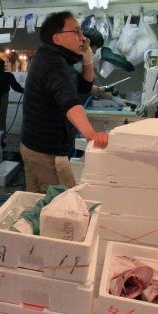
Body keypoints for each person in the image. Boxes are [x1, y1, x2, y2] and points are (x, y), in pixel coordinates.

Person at [20, 11, 109, 192]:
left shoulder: (56, 58)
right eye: (76, 32)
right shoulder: (54, 63)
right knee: (61, 203)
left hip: (35, 146)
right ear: (57, 38)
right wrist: (91, 134)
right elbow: (69, 101)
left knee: (38, 200)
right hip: (46, 153)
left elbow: (84, 87)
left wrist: (87, 58)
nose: (83, 38)